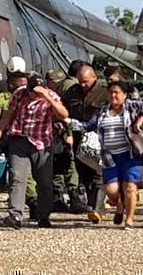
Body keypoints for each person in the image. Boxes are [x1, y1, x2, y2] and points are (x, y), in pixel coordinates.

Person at [0, 74, 69, 229]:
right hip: (20, 140)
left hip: (43, 143)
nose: (33, 95)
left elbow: (63, 115)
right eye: (31, 91)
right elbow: (9, 114)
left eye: (36, 92)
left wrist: (46, 97)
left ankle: (43, 215)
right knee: (17, 178)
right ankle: (15, 215)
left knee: (44, 182)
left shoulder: (51, 96)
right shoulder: (20, 94)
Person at [72, 81, 143, 229]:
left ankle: (129, 219)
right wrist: (68, 122)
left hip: (130, 155)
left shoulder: (132, 106)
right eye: (111, 92)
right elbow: (87, 126)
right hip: (109, 157)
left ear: (125, 94)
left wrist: (142, 119)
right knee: (112, 190)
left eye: (117, 92)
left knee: (130, 186)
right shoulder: (103, 111)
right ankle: (121, 203)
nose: (113, 95)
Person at [0, 74, 36, 218]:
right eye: (19, 86)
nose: (23, 89)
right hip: (2, 142)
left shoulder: (29, 100)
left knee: (24, 176)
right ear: (11, 86)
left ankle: (33, 204)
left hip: (20, 142)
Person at [62, 64, 109, 221]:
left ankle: (97, 208)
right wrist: (66, 133)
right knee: (84, 173)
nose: (83, 85)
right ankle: (92, 204)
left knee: (98, 173)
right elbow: (63, 112)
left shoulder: (105, 94)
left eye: (86, 82)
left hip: (99, 139)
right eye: (80, 81)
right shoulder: (72, 92)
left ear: (94, 78)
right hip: (77, 139)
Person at [45, 69, 87, 214]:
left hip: (61, 132)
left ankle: (65, 197)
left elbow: (65, 115)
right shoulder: (65, 89)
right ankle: (69, 196)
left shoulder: (62, 91)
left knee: (65, 163)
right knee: (65, 164)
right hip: (58, 132)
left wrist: (68, 133)